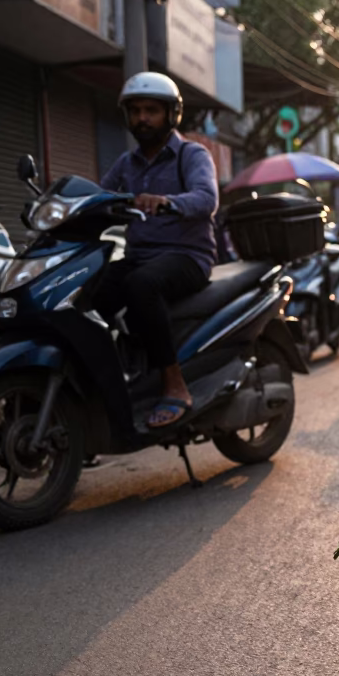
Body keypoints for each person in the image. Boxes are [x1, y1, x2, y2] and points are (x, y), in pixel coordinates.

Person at [96, 72, 218, 428]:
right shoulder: (126, 163)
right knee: (90, 292)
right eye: (135, 111)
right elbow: (98, 197)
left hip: (188, 257)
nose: (142, 118)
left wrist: (167, 202)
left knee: (140, 285)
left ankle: (174, 384)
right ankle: (113, 380)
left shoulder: (192, 155)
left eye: (151, 110)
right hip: (139, 256)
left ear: (171, 114)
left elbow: (206, 198)